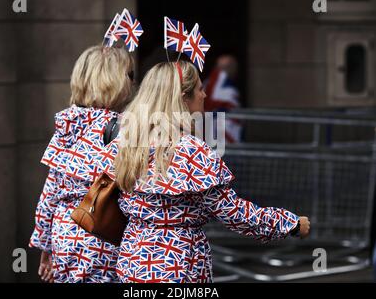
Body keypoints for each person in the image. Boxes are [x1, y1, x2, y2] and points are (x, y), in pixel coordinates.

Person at [89, 60, 310, 283]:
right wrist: (288, 223)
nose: (204, 95)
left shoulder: (126, 143)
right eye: (200, 89)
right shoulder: (189, 151)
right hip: (177, 265)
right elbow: (234, 213)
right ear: (183, 97)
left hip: (132, 261)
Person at [28, 45, 135, 283]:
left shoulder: (68, 124)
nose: (132, 82)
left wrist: (46, 248)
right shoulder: (127, 129)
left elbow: (50, 192)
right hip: (105, 233)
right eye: (129, 75)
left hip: (65, 234)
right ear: (116, 81)